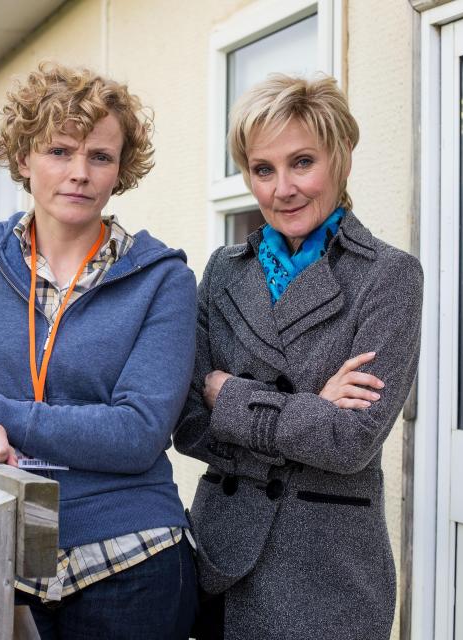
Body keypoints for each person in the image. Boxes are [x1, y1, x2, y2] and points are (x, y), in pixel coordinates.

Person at [0, 62, 198, 639]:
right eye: (59, 151)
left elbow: (138, 433)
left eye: (100, 157)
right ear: (23, 159)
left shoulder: (163, 280)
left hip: (130, 555)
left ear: (120, 172)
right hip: (3, 540)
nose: (79, 174)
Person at [175, 74, 423, 640]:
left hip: (328, 573)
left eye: (302, 162)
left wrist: (229, 393)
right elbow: (187, 423)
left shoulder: (388, 275)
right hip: (221, 558)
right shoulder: (223, 271)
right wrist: (313, 408)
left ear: (341, 158)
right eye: (263, 169)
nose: (283, 188)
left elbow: (350, 442)